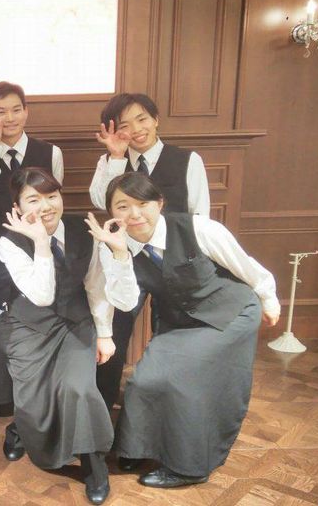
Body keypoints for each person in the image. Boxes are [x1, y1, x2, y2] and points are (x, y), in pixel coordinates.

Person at [88, 172, 280, 488]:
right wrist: (120, 254)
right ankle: (139, 446)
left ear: (159, 203)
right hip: (179, 322)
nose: (134, 214)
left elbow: (244, 265)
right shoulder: (114, 246)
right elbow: (125, 301)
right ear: (111, 212)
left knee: (182, 381)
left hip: (229, 314)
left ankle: (190, 467)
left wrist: (269, 299)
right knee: (144, 379)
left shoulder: (198, 228)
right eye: (123, 206)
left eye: (143, 203)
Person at [0, 167, 119, 505]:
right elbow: (41, 295)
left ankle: (93, 463)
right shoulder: (9, 241)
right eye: (33, 200)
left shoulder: (83, 230)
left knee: (79, 389)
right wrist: (40, 242)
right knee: (31, 399)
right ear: (18, 207)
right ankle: (20, 428)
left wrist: (104, 333)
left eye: (52, 196)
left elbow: (96, 284)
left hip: (74, 322)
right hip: (28, 325)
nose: (46, 206)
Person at [89, 92, 211, 419]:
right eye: (125, 125)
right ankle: (101, 407)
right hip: (126, 259)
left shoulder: (187, 160)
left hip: (173, 260)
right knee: (114, 327)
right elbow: (101, 200)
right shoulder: (110, 160)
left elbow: (200, 214)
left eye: (142, 119)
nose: (136, 129)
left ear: (156, 119)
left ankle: (163, 405)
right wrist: (116, 157)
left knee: (170, 331)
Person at [0, 81, 64, 429]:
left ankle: (31, 394)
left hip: (36, 247)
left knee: (34, 318)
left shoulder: (50, 152)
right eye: (0, 112)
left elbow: (53, 205)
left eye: (16, 109)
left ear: (26, 111)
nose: (10, 118)